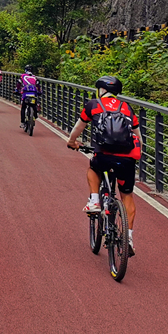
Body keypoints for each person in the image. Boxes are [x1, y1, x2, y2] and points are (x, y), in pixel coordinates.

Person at [66, 75, 141, 254]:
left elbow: (79, 127)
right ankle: (128, 237)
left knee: (93, 168)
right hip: (126, 160)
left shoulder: (93, 105)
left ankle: (94, 201)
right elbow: (138, 135)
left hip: (104, 157)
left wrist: (72, 141)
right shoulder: (127, 108)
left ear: (101, 90)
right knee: (127, 196)